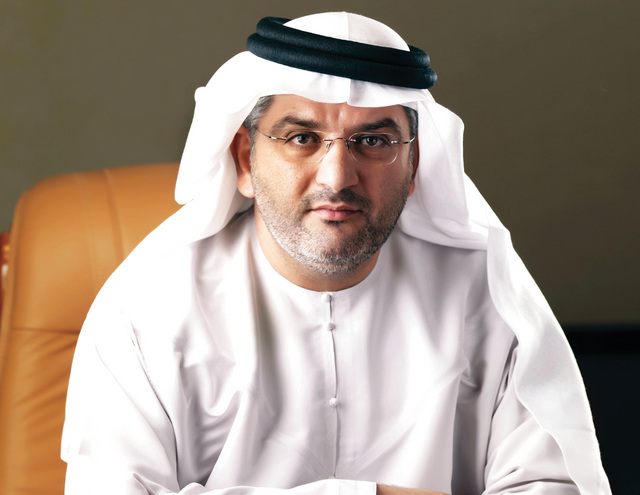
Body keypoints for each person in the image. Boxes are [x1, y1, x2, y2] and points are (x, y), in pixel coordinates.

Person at [61, 12, 610, 495]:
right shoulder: (149, 308)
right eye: (301, 138)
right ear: (246, 161)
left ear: (414, 167)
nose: (337, 177)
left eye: (373, 141)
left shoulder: (487, 298)